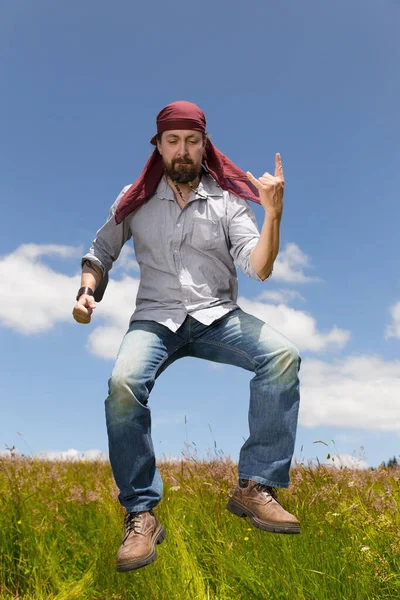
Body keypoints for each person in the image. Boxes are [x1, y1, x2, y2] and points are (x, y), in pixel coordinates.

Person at [72, 100, 301, 572]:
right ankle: (140, 514)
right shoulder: (133, 198)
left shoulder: (227, 200)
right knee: (122, 387)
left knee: (282, 356)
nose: (183, 150)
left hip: (216, 315)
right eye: (173, 141)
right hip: (155, 319)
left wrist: (273, 216)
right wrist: (86, 292)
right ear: (157, 147)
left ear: (205, 146)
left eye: (192, 141)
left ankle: (255, 487)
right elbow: (100, 251)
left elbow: (258, 267)